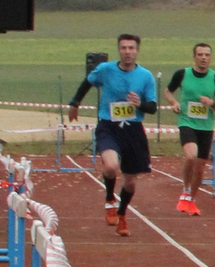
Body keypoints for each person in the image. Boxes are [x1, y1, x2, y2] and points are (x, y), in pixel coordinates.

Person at [67, 32, 159, 237]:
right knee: (110, 166)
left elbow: (152, 107)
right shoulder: (105, 70)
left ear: (137, 51)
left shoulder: (146, 76)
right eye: (123, 48)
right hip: (108, 126)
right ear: (119, 50)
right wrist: (75, 103)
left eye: (131, 48)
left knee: (131, 181)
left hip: (133, 130)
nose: (127, 52)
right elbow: (87, 82)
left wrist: (140, 104)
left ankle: (122, 213)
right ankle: (110, 199)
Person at [164, 42, 215, 215]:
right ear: (194, 57)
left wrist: (212, 103)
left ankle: (191, 200)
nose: (203, 58)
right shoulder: (182, 74)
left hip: (206, 126)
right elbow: (168, 91)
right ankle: (185, 191)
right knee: (191, 155)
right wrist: (174, 102)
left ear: (210, 57)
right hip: (187, 122)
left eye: (207, 55)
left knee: (199, 168)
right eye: (200, 55)